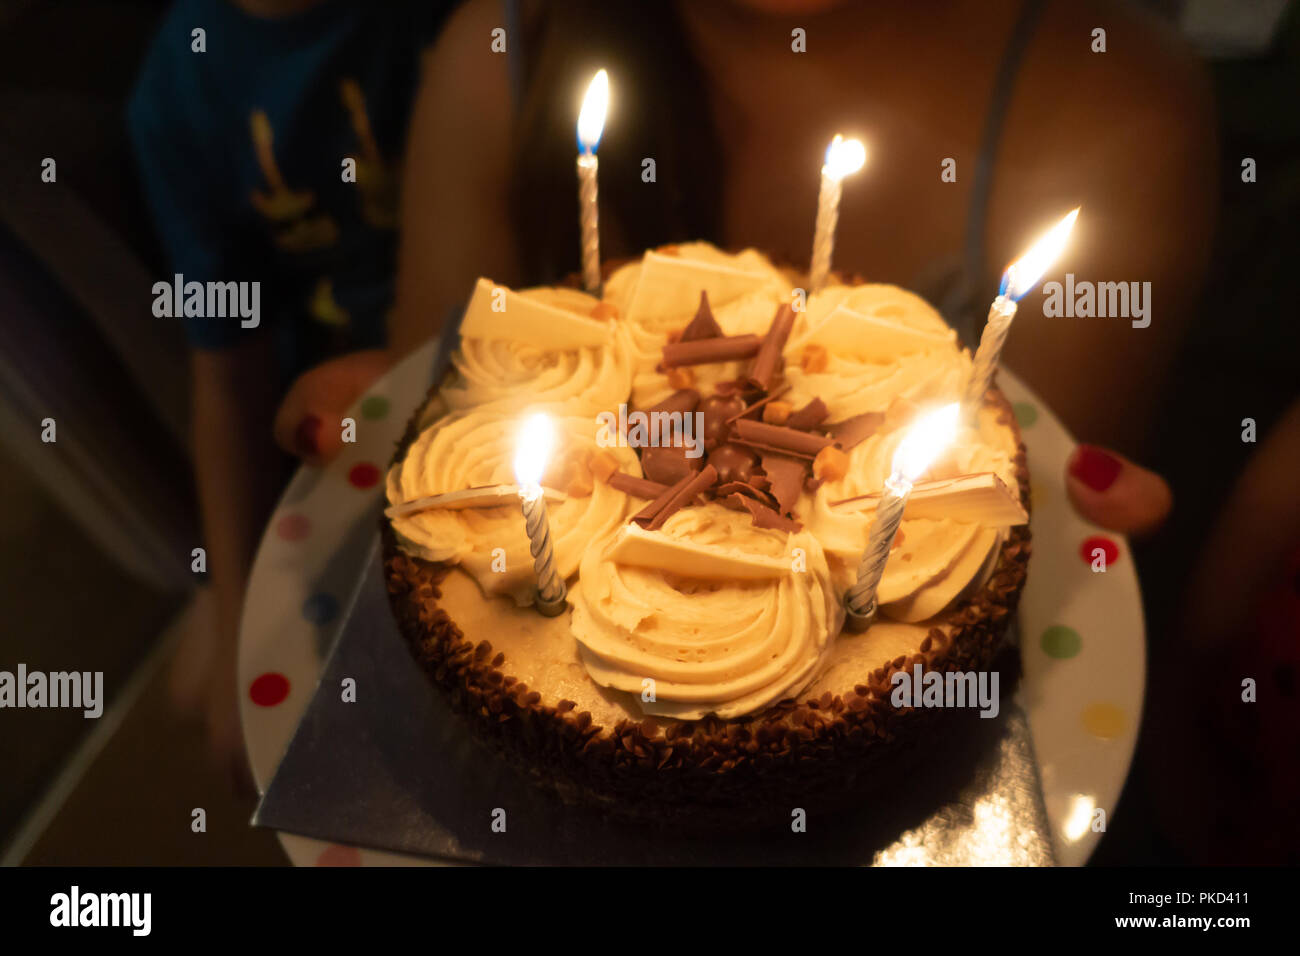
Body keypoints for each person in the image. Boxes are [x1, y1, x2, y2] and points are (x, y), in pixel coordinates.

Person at [128, 0, 447, 786]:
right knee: (209, 684)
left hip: (464, 354)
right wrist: (237, 611)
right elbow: (227, 377)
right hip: (334, 406)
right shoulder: (182, 89)